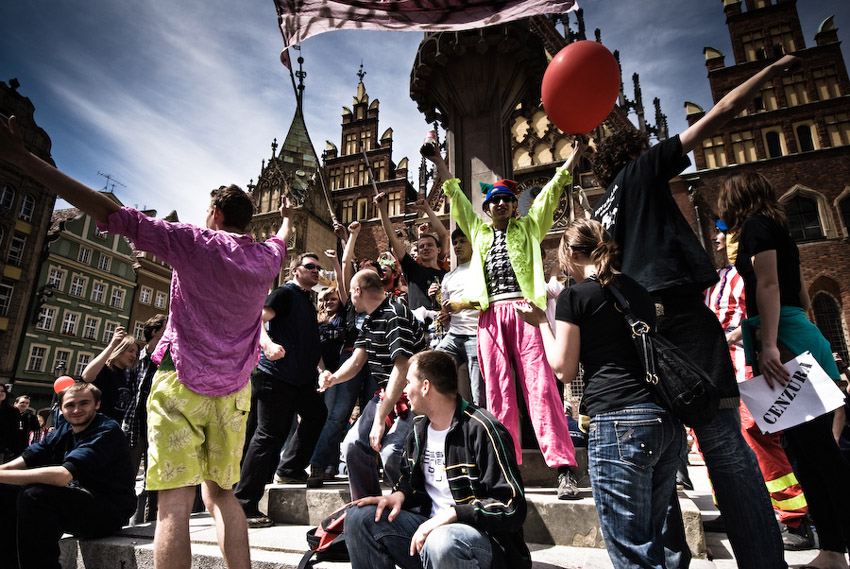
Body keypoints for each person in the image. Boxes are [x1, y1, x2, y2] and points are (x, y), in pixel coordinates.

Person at [0, 114, 291, 569]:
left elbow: (106, 210)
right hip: (234, 392)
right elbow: (282, 238)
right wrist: (289, 220)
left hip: (181, 383)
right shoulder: (268, 257)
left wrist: (24, 159)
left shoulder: (192, 242)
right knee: (222, 496)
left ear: (214, 214)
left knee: (174, 502)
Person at [589, 55, 801, 568]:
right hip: (683, 319)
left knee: (659, 457)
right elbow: (721, 113)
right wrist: (774, 71)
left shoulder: (600, 212)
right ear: (636, 151)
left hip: (637, 332)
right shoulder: (643, 171)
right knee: (726, 446)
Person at [424, 139, 585, 500]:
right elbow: (455, 196)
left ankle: (563, 468)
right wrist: (438, 162)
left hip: (526, 313)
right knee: (498, 395)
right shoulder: (479, 233)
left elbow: (554, 189)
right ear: (488, 207)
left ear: (514, 205)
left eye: (505, 200)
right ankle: (505, 470)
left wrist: (575, 155)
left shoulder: (529, 228)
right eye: (493, 200)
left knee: (541, 388)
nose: (498, 204)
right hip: (490, 318)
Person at [517, 219, 682, 569]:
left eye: (564, 262)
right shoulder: (637, 289)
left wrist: (542, 323)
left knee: (632, 548)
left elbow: (564, 370)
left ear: (573, 254)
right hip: (663, 419)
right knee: (655, 535)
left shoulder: (575, 295)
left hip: (618, 421)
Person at [718, 171, 850, 569]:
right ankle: (831, 551)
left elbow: (769, 287)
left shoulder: (757, 227)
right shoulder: (779, 229)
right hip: (793, 331)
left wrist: (772, 342)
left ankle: (835, 548)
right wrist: (749, 335)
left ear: (738, 199)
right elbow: (803, 295)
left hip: (784, 341)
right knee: (806, 454)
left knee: (818, 453)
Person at [346, 350, 530, 569]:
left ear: (425, 387)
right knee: (359, 518)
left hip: (483, 545)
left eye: (408, 383)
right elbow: (413, 483)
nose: (404, 390)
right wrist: (400, 495)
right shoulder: (418, 429)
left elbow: (512, 506)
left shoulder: (483, 429)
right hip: (429, 536)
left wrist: (453, 515)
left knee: (442, 541)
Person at [704, 219, 812, 549]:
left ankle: (795, 521)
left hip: (750, 370)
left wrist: (733, 337)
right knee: (718, 442)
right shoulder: (715, 279)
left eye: (721, 231)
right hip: (719, 375)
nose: (715, 237)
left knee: (760, 440)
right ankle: (731, 507)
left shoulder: (750, 275)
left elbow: (774, 311)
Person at [0, 382, 136, 569]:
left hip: (109, 509)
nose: (76, 410)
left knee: (34, 496)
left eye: (84, 403)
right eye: (70, 405)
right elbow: (27, 458)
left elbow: (62, 476)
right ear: (61, 409)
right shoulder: (65, 428)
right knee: (5, 491)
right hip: (77, 500)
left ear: (97, 404)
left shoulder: (105, 430)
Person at [236, 252, 326, 526]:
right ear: (294, 270)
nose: (316, 270)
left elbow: (311, 343)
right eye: (310, 266)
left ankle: (290, 468)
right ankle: (244, 504)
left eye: (318, 268)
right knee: (268, 436)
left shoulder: (308, 304)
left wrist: (323, 370)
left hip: (300, 380)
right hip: (275, 376)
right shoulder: (284, 293)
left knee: (316, 414)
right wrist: (267, 345)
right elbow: (257, 319)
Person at [320, 270, 426, 500]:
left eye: (350, 292)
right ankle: (368, 505)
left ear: (358, 291)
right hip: (386, 394)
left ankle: (415, 506)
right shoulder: (369, 320)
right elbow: (357, 361)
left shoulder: (395, 314)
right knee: (353, 445)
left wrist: (380, 420)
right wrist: (333, 378)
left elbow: (402, 368)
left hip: (412, 395)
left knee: (392, 452)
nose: (350, 298)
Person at [124, 314, 168, 524]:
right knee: (128, 475)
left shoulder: (168, 359)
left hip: (158, 426)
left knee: (155, 479)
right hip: (135, 424)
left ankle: (151, 523)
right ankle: (123, 518)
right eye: (165, 329)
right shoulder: (136, 358)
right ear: (154, 332)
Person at [434, 227, 483, 406]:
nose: (457, 246)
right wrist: (444, 315)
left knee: (478, 394)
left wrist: (461, 305)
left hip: (476, 335)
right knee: (431, 365)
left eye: (462, 241)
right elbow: (446, 311)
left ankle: (483, 429)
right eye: (455, 242)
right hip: (453, 336)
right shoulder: (448, 277)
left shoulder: (481, 269)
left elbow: (487, 303)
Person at [375, 193, 446, 312]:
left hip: (441, 325)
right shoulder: (412, 269)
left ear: (438, 250)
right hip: (418, 327)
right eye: (421, 246)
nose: (425, 248)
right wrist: (382, 209)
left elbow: (443, 235)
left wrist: (427, 209)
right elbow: (392, 237)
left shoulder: (446, 274)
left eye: (429, 245)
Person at [82, 326, 139, 422]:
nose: (134, 356)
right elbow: (86, 376)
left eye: (136, 353)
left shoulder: (127, 376)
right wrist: (112, 345)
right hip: (96, 428)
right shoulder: (104, 370)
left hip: (113, 430)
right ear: (119, 349)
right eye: (130, 351)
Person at [0, 385, 18, 463]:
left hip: (2, 449)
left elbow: (15, 431)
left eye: (2, 391)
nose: (0, 393)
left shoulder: (12, 411)